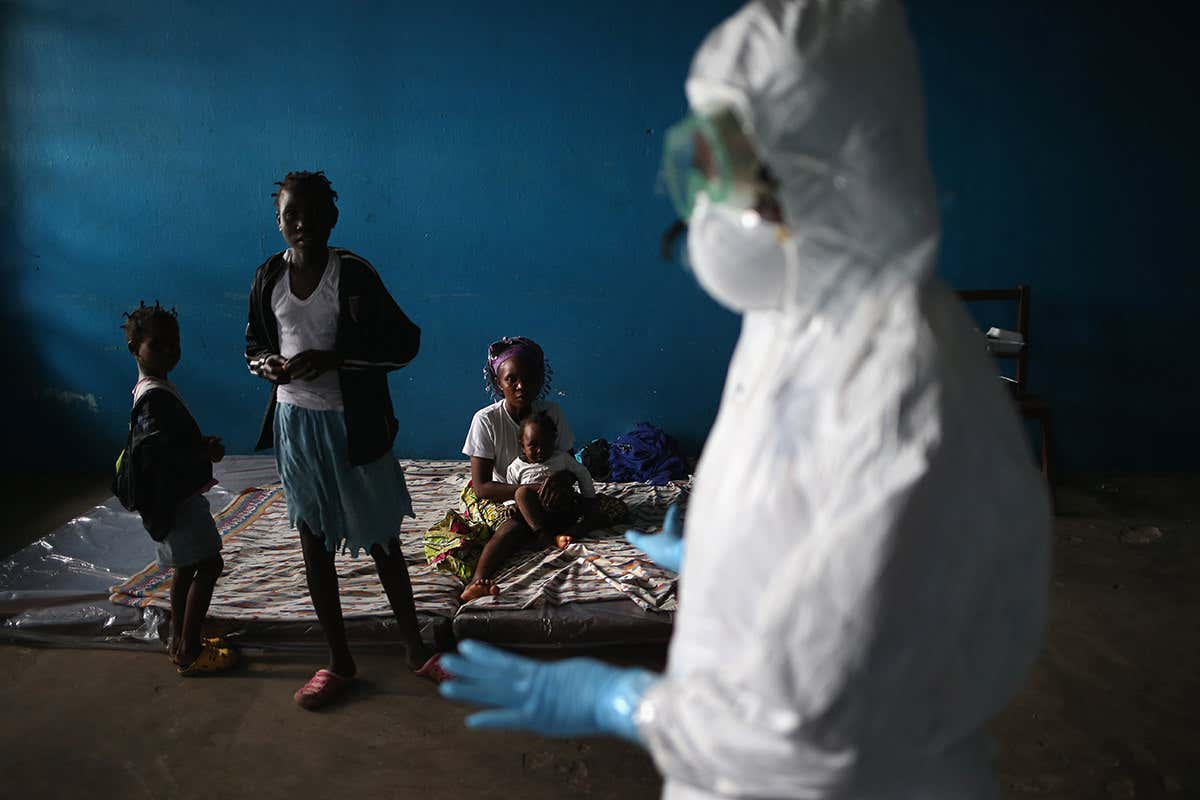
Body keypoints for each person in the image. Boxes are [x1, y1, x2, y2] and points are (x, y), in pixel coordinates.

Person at [439, 3, 1051, 798]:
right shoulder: (800, 311)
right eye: (704, 165)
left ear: (831, 174)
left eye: (736, 176)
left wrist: (628, 702)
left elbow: (813, 718)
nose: (708, 209)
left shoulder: (900, 391)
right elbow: (823, 534)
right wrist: (727, 557)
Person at [244, 170, 445, 709]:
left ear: (333, 218)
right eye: (291, 215)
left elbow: (405, 345)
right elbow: (253, 347)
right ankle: (339, 661)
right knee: (313, 539)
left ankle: (414, 648)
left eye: (313, 214)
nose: (302, 223)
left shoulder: (352, 274)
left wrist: (336, 360)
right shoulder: (267, 277)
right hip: (295, 426)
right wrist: (267, 366)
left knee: (382, 537)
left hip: (353, 424)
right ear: (278, 220)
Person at [423, 337, 625, 603]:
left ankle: (559, 532)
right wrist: (523, 491)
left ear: (541, 379)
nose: (521, 386)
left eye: (529, 378)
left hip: (544, 487)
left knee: (611, 509)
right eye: (511, 380)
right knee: (513, 526)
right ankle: (478, 581)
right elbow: (482, 486)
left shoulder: (551, 413)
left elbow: (565, 462)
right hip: (500, 491)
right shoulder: (486, 420)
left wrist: (560, 481)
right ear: (498, 383)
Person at [118, 301, 237, 676]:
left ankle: (179, 637)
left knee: (185, 569)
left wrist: (199, 443)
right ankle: (189, 648)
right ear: (135, 347)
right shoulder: (154, 397)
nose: (170, 352)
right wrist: (204, 450)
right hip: (178, 503)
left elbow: (167, 441)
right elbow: (162, 452)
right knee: (210, 564)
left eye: (175, 344)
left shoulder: (150, 389)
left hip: (167, 503)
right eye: (159, 345)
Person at [507, 412, 597, 550]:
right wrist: (510, 504)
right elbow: (510, 488)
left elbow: (582, 472)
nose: (540, 450)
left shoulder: (561, 458)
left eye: (546, 444)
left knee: (591, 514)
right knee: (521, 493)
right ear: (522, 445)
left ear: (554, 440)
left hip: (563, 510)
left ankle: (570, 532)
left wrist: (589, 497)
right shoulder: (516, 467)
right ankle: (543, 535)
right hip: (537, 516)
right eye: (533, 445)